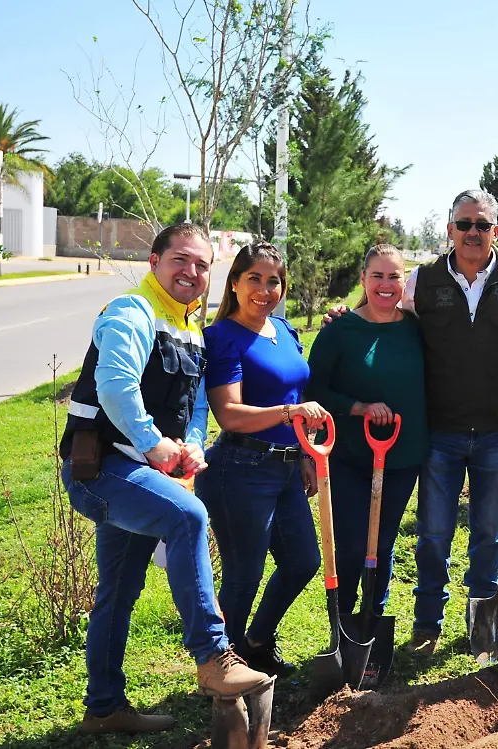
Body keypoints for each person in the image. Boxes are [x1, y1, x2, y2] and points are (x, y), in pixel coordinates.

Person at [60, 224, 271, 736]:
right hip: (101, 470)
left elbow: (194, 405)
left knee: (118, 589)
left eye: (202, 265)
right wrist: (156, 446)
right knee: (188, 516)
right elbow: (115, 388)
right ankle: (213, 656)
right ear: (153, 261)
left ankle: (104, 707)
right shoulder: (131, 313)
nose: (192, 272)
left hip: (139, 473)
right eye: (181, 260)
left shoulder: (190, 330)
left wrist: (193, 443)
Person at [323, 189, 498, 656]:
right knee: (433, 534)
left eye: (482, 225)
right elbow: (383, 305)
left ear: (496, 231)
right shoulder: (423, 280)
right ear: (450, 230)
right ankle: (428, 624)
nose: (473, 233)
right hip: (440, 431)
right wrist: (346, 315)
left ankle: (482, 625)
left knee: (489, 532)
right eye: (464, 224)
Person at [195, 243, 327, 680]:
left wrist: (304, 453)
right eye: (255, 278)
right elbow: (229, 414)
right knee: (243, 574)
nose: (265, 289)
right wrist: (291, 415)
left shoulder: (284, 330)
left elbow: (293, 394)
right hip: (241, 470)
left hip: (288, 467)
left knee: (303, 561)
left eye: (274, 281)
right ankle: (221, 669)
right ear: (234, 283)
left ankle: (256, 642)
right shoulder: (222, 338)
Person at [306, 244, 427, 621]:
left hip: (403, 455)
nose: (386, 285)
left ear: (404, 282)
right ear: (363, 279)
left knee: (383, 541)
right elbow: (315, 391)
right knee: (353, 543)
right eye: (377, 276)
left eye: (394, 276)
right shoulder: (340, 330)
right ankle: (341, 622)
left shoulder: (416, 328)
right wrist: (358, 408)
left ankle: (373, 617)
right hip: (350, 456)